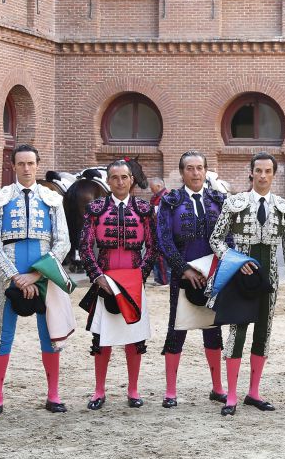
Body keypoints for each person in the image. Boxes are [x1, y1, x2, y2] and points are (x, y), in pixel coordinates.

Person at [0, 144, 71, 418]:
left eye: (30, 163)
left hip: (43, 275)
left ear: (37, 164)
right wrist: (14, 276)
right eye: (21, 163)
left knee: (50, 334)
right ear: (13, 166)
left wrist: (36, 275)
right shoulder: (0, 198)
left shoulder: (51, 198)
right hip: (11, 274)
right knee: (2, 334)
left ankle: (53, 394)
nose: (26, 168)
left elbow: (63, 241)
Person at [209, 153, 285, 416]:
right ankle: (233, 395)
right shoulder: (234, 203)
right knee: (237, 332)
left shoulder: (283, 207)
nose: (262, 176)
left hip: (269, 279)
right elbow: (216, 240)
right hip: (241, 277)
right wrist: (235, 260)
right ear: (251, 173)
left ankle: (254, 392)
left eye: (267, 171)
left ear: (274, 174)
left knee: (263, 332)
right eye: (258, 171)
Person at [79, 160, 158, 409]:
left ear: (131, 180)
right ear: (108, 181)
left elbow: (154, 247)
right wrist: (97, 276)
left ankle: (133, 391)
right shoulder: (96, 208)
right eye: (115, 177)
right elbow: (84, 246)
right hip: (105, 281)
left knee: (134, 338)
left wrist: (140, 275)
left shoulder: (144, 209)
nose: (120, 182)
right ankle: (99, 391)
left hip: (133, 281)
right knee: (102, 338)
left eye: (124, 177)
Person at [156, 151, 230, 407]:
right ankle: (170, 391)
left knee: (213, 330)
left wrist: (219, 269)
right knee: (176, 331)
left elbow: (228, 238)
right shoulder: (171, 201)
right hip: (183, 276)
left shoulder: (219, 199)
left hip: (213, 273)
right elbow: (164, 239)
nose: (195, 173)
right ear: (182, 172)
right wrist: (183, 269)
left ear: (206, 171)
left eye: (199, 168)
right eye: (190, 168)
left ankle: (218, 388)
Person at [149, 177, 171, 284]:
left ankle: (164, 281)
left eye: (152, 188)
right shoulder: (155, 197)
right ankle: (158, 279)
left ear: (158, 186)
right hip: (155, 230)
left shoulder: (167, 196)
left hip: (164, 231)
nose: (151, 190)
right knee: (156, 256)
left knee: (162, 257)